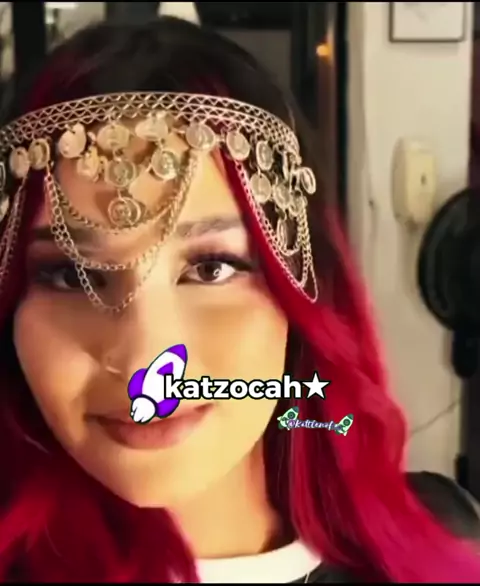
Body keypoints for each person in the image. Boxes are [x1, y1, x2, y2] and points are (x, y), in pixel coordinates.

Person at [0, 17, 478, 584]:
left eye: (211, 268)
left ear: (300, 293)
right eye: (70, 275)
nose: (145, 363)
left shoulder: (446, 541)